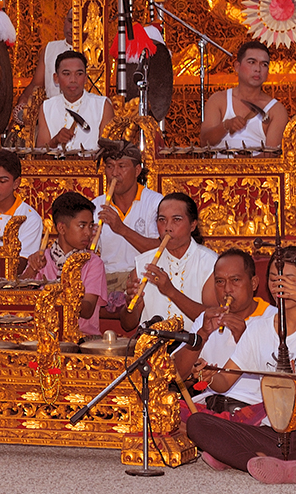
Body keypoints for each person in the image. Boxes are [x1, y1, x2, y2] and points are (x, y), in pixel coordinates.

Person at [188, 246, 296, 483]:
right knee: (197, 424)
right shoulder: (258, 328)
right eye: (275, 279)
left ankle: (250, 461)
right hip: (272, 434)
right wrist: (207, 374)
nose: (280, 286)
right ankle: (270, 462)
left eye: (289, 280)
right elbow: (224, 382)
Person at [174, 249, 275, 424]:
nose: (227, 290)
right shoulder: (206, 319)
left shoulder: (273, 319)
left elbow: (279, 381)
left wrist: (244, 339)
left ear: (253, 283)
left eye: (235, 280)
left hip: (254, 411)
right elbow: (177, 374)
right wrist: (202, 335)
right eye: (220, 282)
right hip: (207, 407)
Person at [119, 192, 217, 332]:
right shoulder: (143, 263)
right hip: (151, 347)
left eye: (176, 220)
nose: (167, 227)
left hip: (195, 349)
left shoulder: (210, 264)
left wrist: (171, 292)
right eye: (162, 220)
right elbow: (127, 325)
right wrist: (131, 305)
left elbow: (213, 319)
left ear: (193, 225)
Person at [23, 192, 106, 337]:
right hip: (43, 334)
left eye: (90, 226)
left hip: (83, 338)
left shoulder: (93, 262)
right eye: (82, 226)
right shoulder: (42, 259)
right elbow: (21, 298)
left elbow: (87, 310)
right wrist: (32, 269)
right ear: (61, 228)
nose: (88, 232)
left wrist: (56, 294)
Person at [92, 141, 164, 305]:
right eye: (109, 167)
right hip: (107, 280)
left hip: (142, 280)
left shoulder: (156, 203)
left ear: (137, 170)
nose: (114, 173)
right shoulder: (96, 206)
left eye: (121, 166)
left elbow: (163, 249)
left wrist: (121, 229)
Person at [200, 40, 290, 151]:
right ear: (237, 66)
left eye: (264, 64)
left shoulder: (276, 110)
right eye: (252, 62)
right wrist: (226, 125)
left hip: (258, 168)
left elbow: (272, 155)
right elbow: (204, 141)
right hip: (220, 167)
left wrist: (244, 164)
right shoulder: (219, 100)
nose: (258, 69)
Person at [35, 50, 114, 151]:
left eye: (79, 74)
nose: (73, 79)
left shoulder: (102, 106)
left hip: (91, 165)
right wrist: (55, 141)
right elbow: (39, 152)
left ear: (85, 78)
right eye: (67, 74)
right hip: (55, 166)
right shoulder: (47, 107)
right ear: (56, 78)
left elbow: (109, 151)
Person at [13, 8, 73, 123]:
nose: (72, 27)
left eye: (78, 24)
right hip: (52, 118)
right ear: (64, 21)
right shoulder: (51, 49)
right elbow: (36, 85)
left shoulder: (94, 53)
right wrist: (23, 102)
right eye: (70, 21)